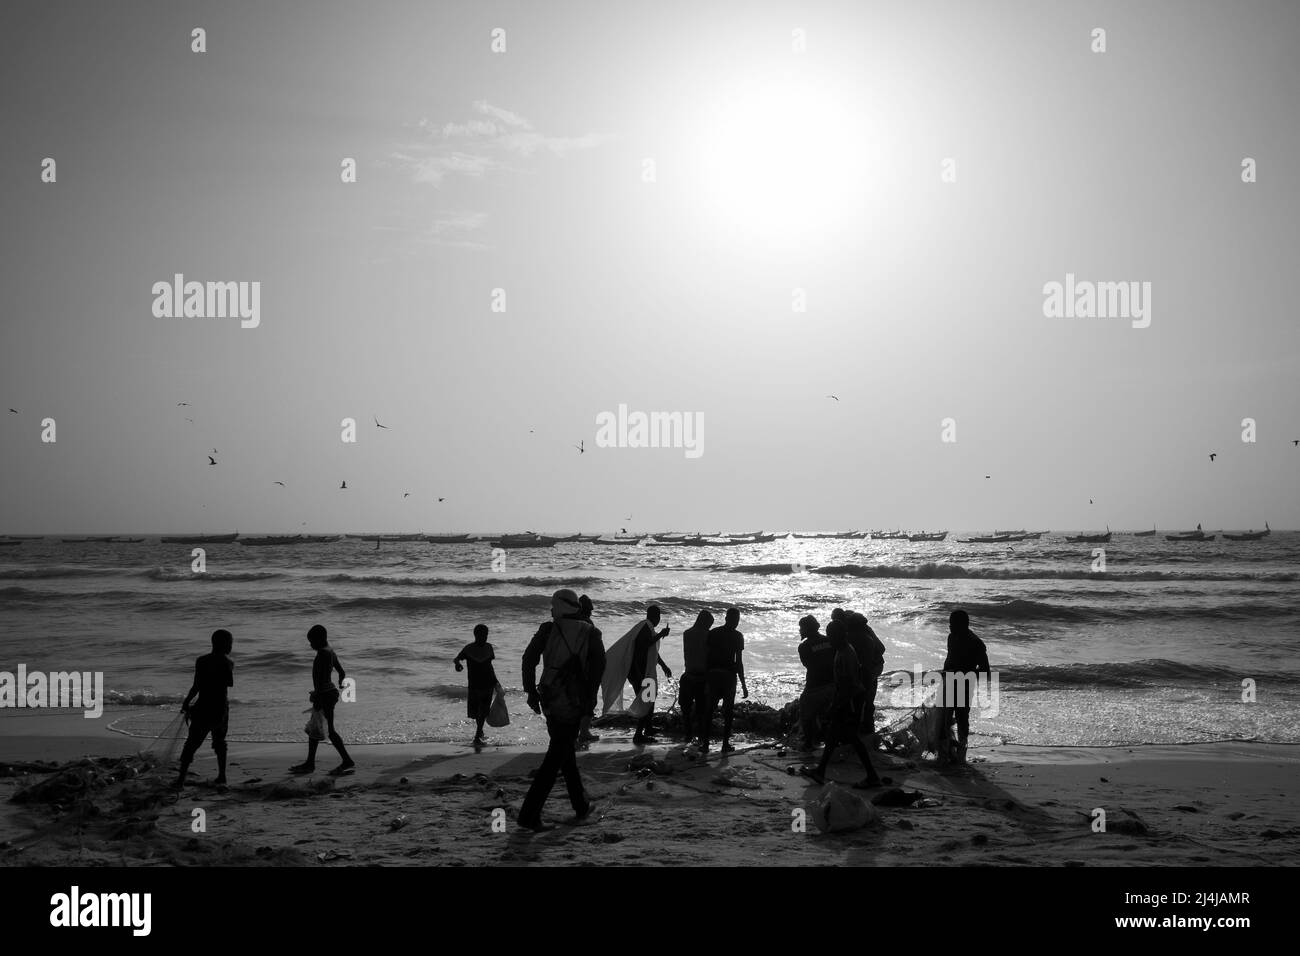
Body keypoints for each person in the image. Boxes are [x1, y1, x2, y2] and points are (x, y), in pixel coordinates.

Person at [519, 588, 607, 831]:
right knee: (555, 756)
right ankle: (528, 816)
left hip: (549, 697)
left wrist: (530, 691)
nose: (550, 610)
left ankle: (580, 805)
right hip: (574, 700)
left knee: (563, 750)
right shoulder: (590, 632)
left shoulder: (548, 629)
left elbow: (528, 659)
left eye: (552, 606)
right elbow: (599, 669)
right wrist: (590, 702)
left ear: (558, 607)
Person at [804, 620, 881, 788]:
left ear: (840, 636)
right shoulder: (843, 650)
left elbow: (848, 685)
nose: (829, 640)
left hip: (850, 700)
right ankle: (821, 771)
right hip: (849, 698)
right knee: (833, 736)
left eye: (832, 636)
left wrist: (836, 706)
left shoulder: (845, 654)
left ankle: (872, 776)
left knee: (851, 737)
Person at [290, 624, 355, 776]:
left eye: (312, 641)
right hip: (329, 692)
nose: (310, 644)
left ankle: (346, 760)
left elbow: (319, 679)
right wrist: (339, 683)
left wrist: (317, 696)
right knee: (314, 728)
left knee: (329, 730)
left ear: (321, 639)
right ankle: (310, 763)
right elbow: (341, 671)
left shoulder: (322, 654)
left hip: (324, 694)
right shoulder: (330, 651)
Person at [176, 628, 234, 788]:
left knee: (192, 743)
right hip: (220, 708)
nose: (231, 647)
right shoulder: (228, 663)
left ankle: (181, 778)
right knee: (220, 742)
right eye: (230, 643)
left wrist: (187, 702)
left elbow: (196, 686)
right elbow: (229, 683)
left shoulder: (201, 661)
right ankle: (222, 775)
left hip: (202, 707)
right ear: (226, 645)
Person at [941, 609, 991, 762]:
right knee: (944, 718)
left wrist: (963, 673)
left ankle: (961, 751)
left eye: (953, 624)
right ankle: (946, 751)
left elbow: (985, 672)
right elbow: (949, 659)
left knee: (962, 718)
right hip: (948, 683)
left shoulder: (976, 643)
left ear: (964, 625)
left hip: (964, 685)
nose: (950, 627)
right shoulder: (952, 637)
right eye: (950, 624)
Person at [701, 607, 748, 754]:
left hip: (714, 675)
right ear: (730, 619)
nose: (736, 622)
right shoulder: (737, 636)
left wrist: (706, 677)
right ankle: (725, 745)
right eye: (736, 620)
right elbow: (739, 662)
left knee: (709, 711)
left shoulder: (713, 633)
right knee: (728, 712)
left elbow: (706, 657)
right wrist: (744, 684)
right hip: (728, 676)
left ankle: (705, 744)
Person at [627, 605, 672, 745]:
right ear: (656, 617)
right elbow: (644, 645)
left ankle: (648, 728)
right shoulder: (646, 627)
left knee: (650, 698)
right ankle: (638, 735)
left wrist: (663, 665)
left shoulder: (646, 626)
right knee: (645, 700)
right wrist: (661, 634)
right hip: (639, 671)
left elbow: (651, 650)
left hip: (642, 670)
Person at [454, 624, 497, 745]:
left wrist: (496, 681)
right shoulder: (468, 648)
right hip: (474, 683)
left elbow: (490, 666)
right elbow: (457, 659)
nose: (485, 637)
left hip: (488, 682)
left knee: (483, 709)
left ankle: (478, 732)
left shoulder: (489, 647)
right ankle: (480, 731)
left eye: (486, 635)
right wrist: (458, 665)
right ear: (476, 635)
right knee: (478, 711)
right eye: (482, 634)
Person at [797, 615, 835, 750]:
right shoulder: (830, 640)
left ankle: (808, 743)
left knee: (806, 713)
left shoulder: (804, 646)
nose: (800, 630)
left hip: (815, 686)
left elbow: (808, 665)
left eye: (801, 628)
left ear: (807, 629)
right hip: (833, 684)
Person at [844, 610, 885, 734]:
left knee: (862, 701)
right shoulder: (866, 632)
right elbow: (881, 649)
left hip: (869, 670)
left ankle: (862, 728)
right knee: (868, 701)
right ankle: (868, 727)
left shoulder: (856, 636)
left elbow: (880, 649)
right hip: (874, 668)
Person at [678, 610, 714, 742]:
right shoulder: (709, 636)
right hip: (702, 677)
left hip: (688, 674)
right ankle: (700, 735)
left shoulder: (687, 634)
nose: (709, 627)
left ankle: (688, 734)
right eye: (709, 624)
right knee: (701, 710)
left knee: (685, 708)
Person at [576, 595, 600, 744]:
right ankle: (584, 732)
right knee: (589, 701)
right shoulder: (588, 624)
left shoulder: (572, 623)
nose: (591, 610)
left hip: (572, 668)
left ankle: (579, 732)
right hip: (586, 668)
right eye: (590, 608)